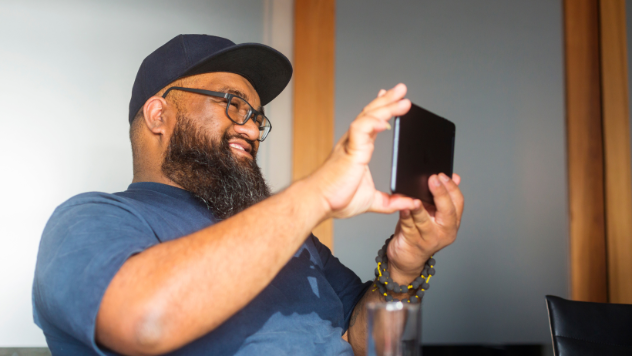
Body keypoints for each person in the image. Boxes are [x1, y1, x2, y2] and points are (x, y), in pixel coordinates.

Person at [32, 34, 464, 356]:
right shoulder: (89, 221)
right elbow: (145, 320)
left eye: (258, 116)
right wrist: (315, 191)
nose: (254, 128)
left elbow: (365, 340)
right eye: (233, 103)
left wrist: (403, 265)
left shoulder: (291, 238)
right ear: (159, 114)